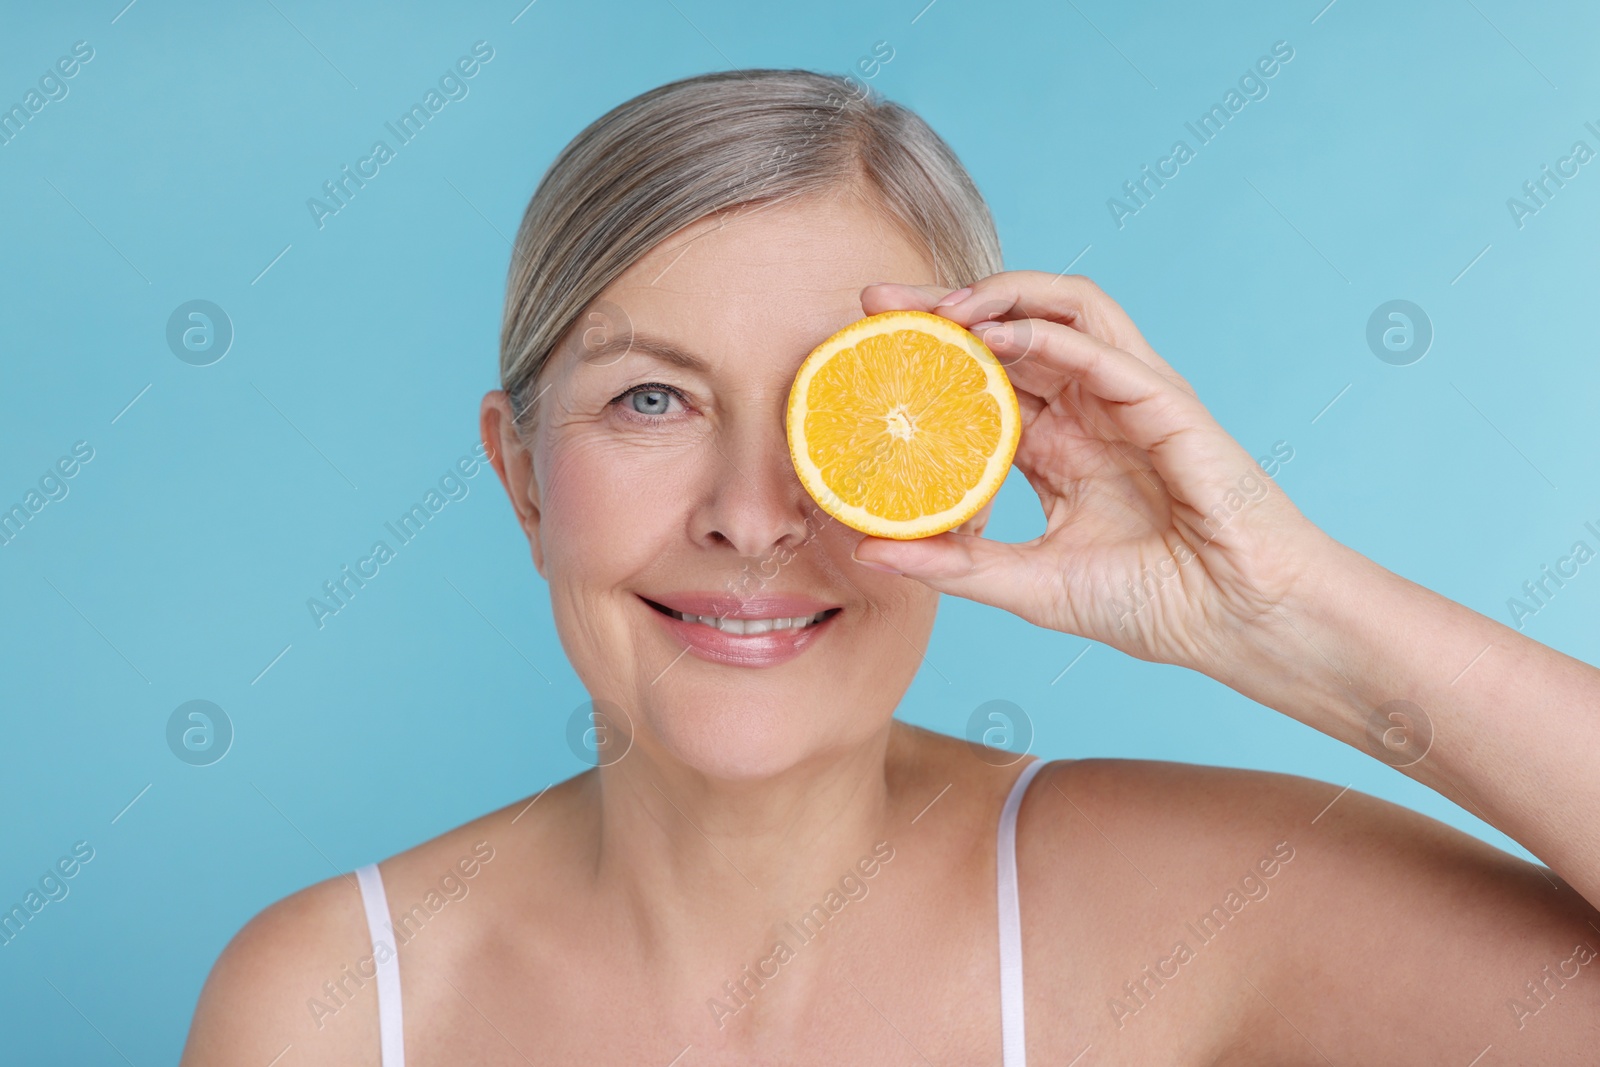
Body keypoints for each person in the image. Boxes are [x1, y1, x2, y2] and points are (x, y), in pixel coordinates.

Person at [180, 69, 1600, 1065]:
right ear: (519, 476)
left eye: (842, 411)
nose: (750, 515)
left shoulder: (1190, 915)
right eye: (652, 402)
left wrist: (1286, 616)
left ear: (970, 455)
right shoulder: (329, 1005)